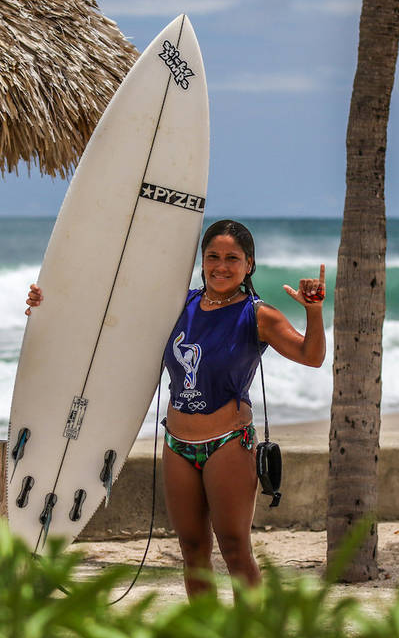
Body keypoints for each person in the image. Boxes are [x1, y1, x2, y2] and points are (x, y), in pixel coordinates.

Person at [26, 219, 326, 599]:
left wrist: (313, 310)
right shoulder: (177, 304)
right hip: (177, 445)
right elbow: (107, 316)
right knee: (193, 552)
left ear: (249, 264)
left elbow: (311, 356)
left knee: (235, 550)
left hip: (228, 444)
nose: (221, 265)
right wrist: (49, 302)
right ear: (201, 260)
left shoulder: (257, 315)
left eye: (232, 258)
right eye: (213, 256)